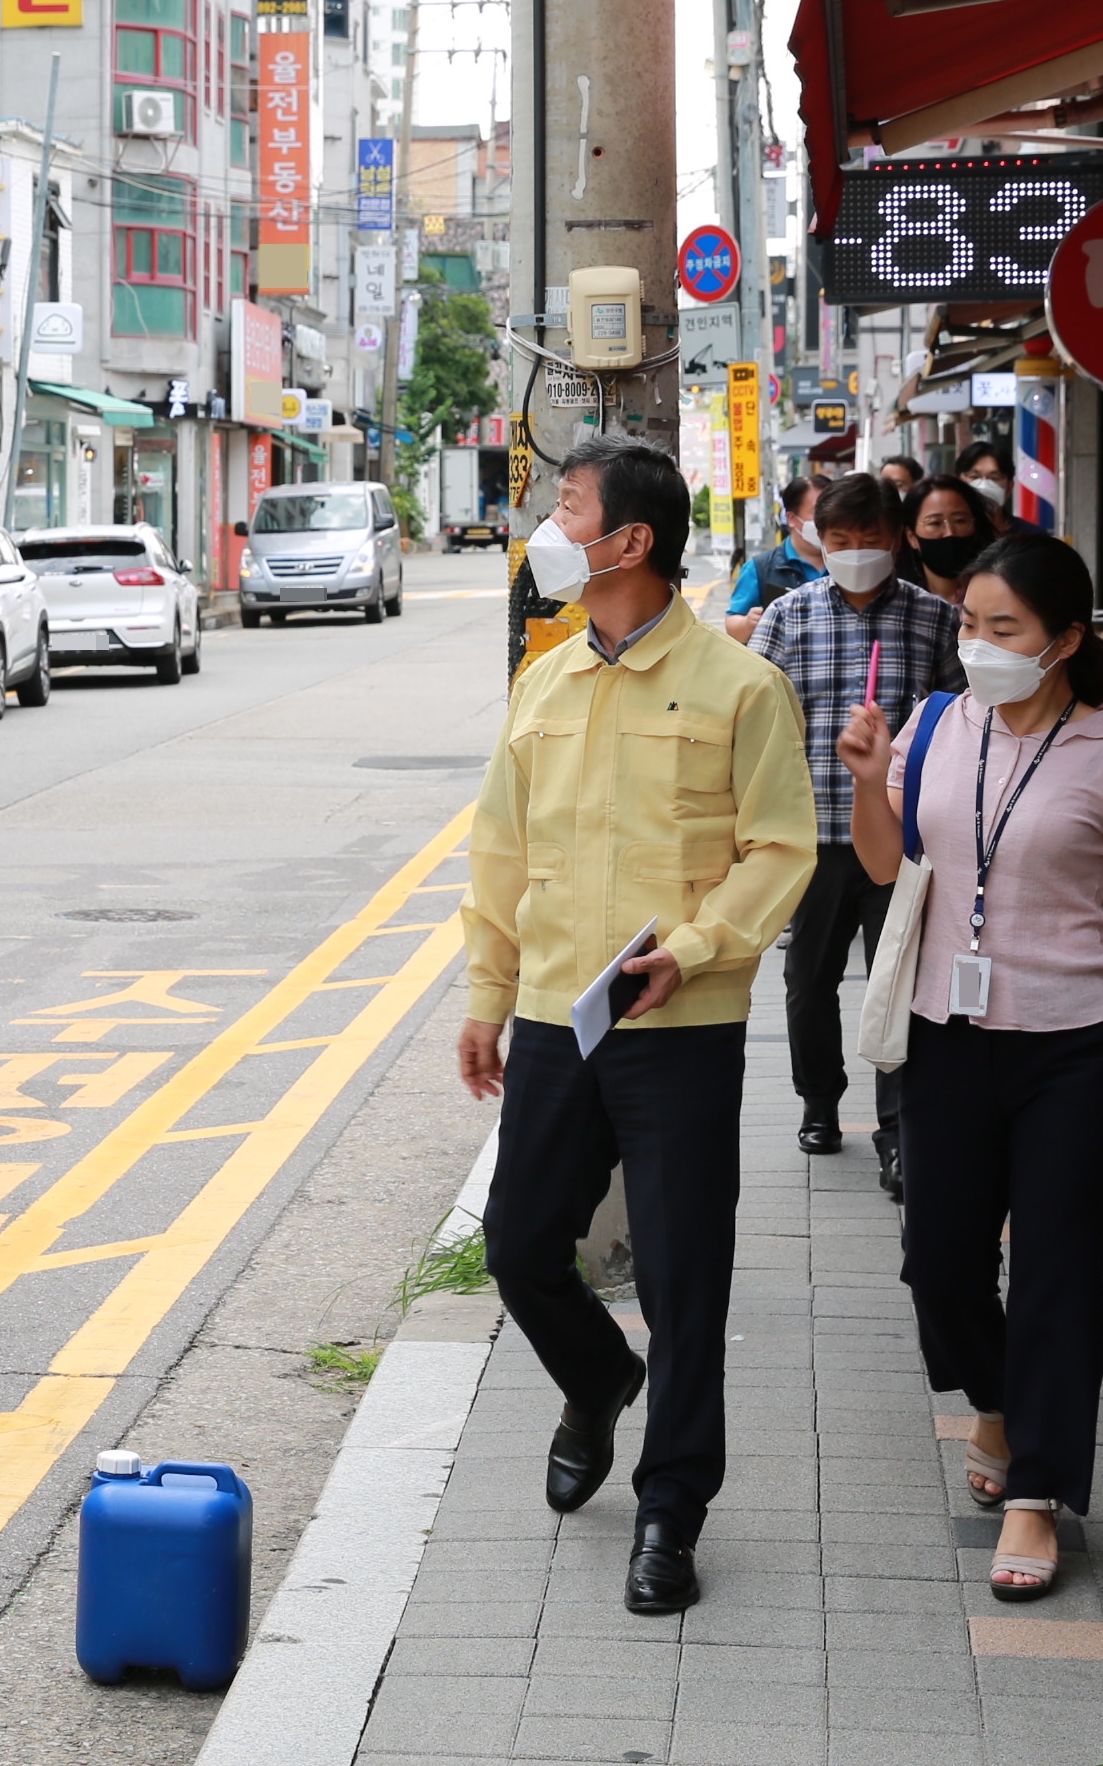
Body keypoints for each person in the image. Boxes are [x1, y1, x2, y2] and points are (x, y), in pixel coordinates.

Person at [834, 532, 1103, 1603]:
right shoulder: (932, 723)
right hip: (941, 1035)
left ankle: (1035, 1492)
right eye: (968, 625)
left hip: (1068, 1046)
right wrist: (866, 783)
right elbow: (891, 870)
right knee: (936, 1262)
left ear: (1064, 639)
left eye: (1002, 629)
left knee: (1058, 1273)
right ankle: (996, 1397)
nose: (977, 645)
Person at [460, 435, 817, 1616]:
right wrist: (484, 995)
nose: (545, 528)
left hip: (681, 1024)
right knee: (517, 1246)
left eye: (565, 509)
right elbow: (499, 852)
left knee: (683, 1278)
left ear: (630, 543)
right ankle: (598, 1374)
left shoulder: (736, 685)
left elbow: (780, 849)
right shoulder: (544, 679)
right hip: (561, 1018)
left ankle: (670, 1510)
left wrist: (698, 948)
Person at [750, 474, 964, 1200]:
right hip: (810, 840)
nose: (855, 552)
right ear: (820, 541)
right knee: (807, 982)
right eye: (840, 541)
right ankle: (818, 1103)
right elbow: (756, 727)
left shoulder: (935, 621)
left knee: (896, 981)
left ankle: (897, 1132)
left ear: (897, 538)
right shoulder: (790, 616)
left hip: (904, 839)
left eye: (870, 539)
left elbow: (962, 725)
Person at [725, 474, 828, 640]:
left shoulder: (847, 561)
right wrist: (747, 623)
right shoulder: (760, 568)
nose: (827, 518)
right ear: (792, 518)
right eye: (818, 511)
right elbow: (732, 625)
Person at [904, 472, 1001, 609]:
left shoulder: (999, 593)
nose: (949, 533)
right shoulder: (904, 605)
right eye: (935, 523)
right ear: (912, 537)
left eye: (960, 521)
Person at [955, 440, 1043, 535]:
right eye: (974, 477)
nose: (984, 486)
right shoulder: (950, 533)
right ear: (958, 483)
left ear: (1009, 487)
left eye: (994, 478)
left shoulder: (1030, 537)